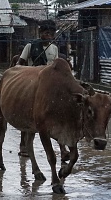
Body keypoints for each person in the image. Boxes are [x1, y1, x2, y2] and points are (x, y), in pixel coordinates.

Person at [16, 19, 70, 159]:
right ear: (40, 33)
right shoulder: (30, 46)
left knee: (57, 116)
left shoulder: (54, 48)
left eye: (51, 33)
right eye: (46, 33)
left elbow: (56, 67)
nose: (48, 36)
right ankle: (23, 145)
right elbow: (20, 64)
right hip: (32, 84)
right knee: (28, 114)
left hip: (50, 86)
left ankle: (63, 150)